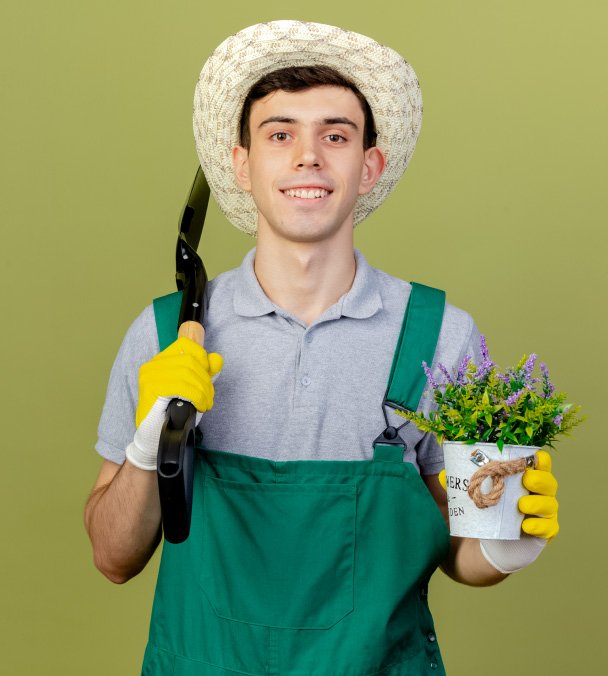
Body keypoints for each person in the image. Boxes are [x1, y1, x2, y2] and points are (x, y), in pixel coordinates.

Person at [84, 21, 559, 675]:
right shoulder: (165, 335)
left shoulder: (440, 337)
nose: (308, 157)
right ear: (242, 164)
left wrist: (506, 546)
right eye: (280, 134)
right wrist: (149, 447)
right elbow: (113, 558)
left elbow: (460, 553)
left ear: (369, 166)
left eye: (335, 135)